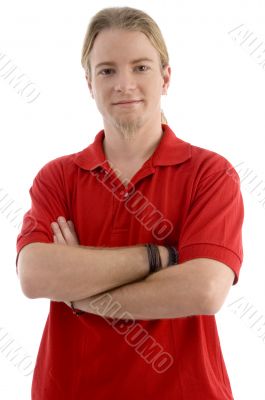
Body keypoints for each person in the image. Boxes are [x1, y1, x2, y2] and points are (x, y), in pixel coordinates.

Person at [16, 6, 244, 400]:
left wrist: (78, 293)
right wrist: (157, 257)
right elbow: (35, 276)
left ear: (166, 77)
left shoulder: (211, 173)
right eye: (107, 70)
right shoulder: (58, 177)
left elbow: (204, 289)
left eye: (140, 67)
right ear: (88, 83)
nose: (124, 84)